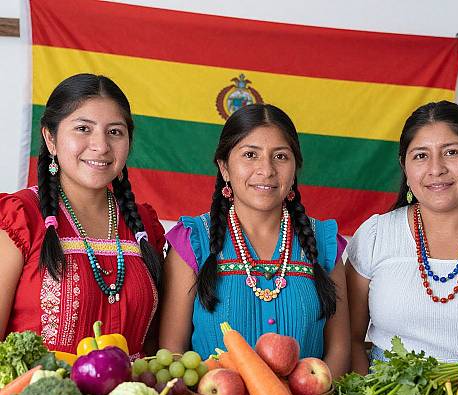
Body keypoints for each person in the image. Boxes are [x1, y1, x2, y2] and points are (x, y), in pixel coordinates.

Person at [159, 104, 351, 378]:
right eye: (250, 155)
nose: (267, 170)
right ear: (224, 167)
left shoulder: (324, 242)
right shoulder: (192, 241)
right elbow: (173, 350)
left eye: (281, 157)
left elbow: (340, 348)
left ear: (295, 167)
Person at [0, 74, 164, 356]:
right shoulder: (21, 216)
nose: (101, 146)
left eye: (115, 132)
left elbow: (154, 348)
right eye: (83, 129)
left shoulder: (144, 224)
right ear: (50, 138)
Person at [347, 100, 458, 374]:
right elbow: (349, 339)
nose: (436, 169)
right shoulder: (375, 236)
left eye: (451, 152)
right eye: (421, 156)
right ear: (405, 167)